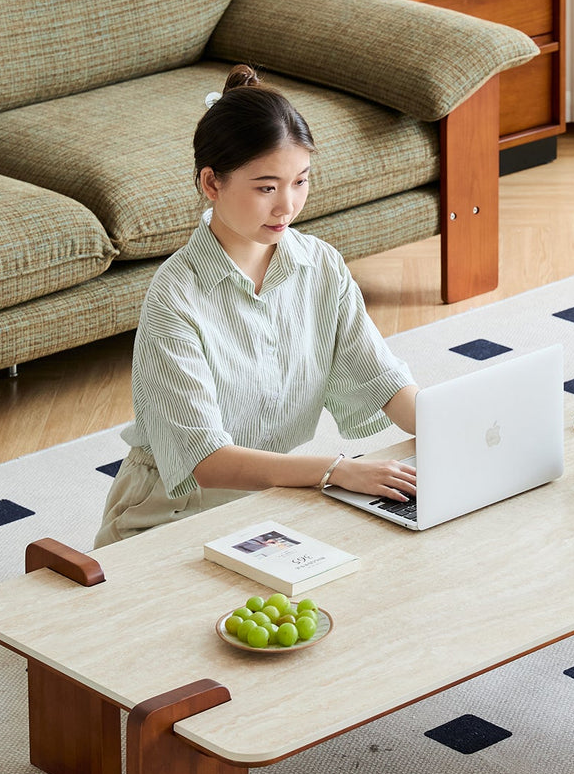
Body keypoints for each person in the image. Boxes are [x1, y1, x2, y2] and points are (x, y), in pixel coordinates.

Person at [94, 65, 418, 547]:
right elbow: (208, 463)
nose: (287, 206)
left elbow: (384, 382)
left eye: (300, 182)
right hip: (171, 514)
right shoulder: (176, 297)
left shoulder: (320, 266)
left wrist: (459, 428)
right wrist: (338, 471)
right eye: (266, 187)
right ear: (211, 183)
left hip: (278, 502)